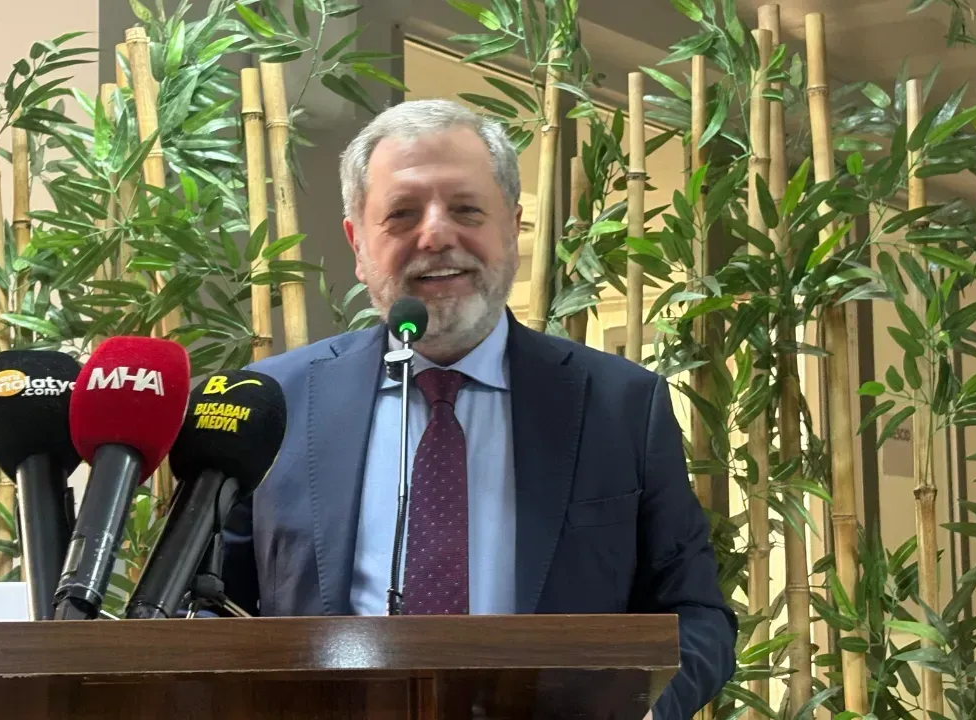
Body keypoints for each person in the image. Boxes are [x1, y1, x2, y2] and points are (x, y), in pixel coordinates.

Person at [223, 98, 737, 719]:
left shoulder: (621, 405)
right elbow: (205, 607)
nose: (436, 235)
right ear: (357, 243)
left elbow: (696, 615)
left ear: (513, 228)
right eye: (402, 213)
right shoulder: (270, 403)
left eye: (466, 209)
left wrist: (639, 710)